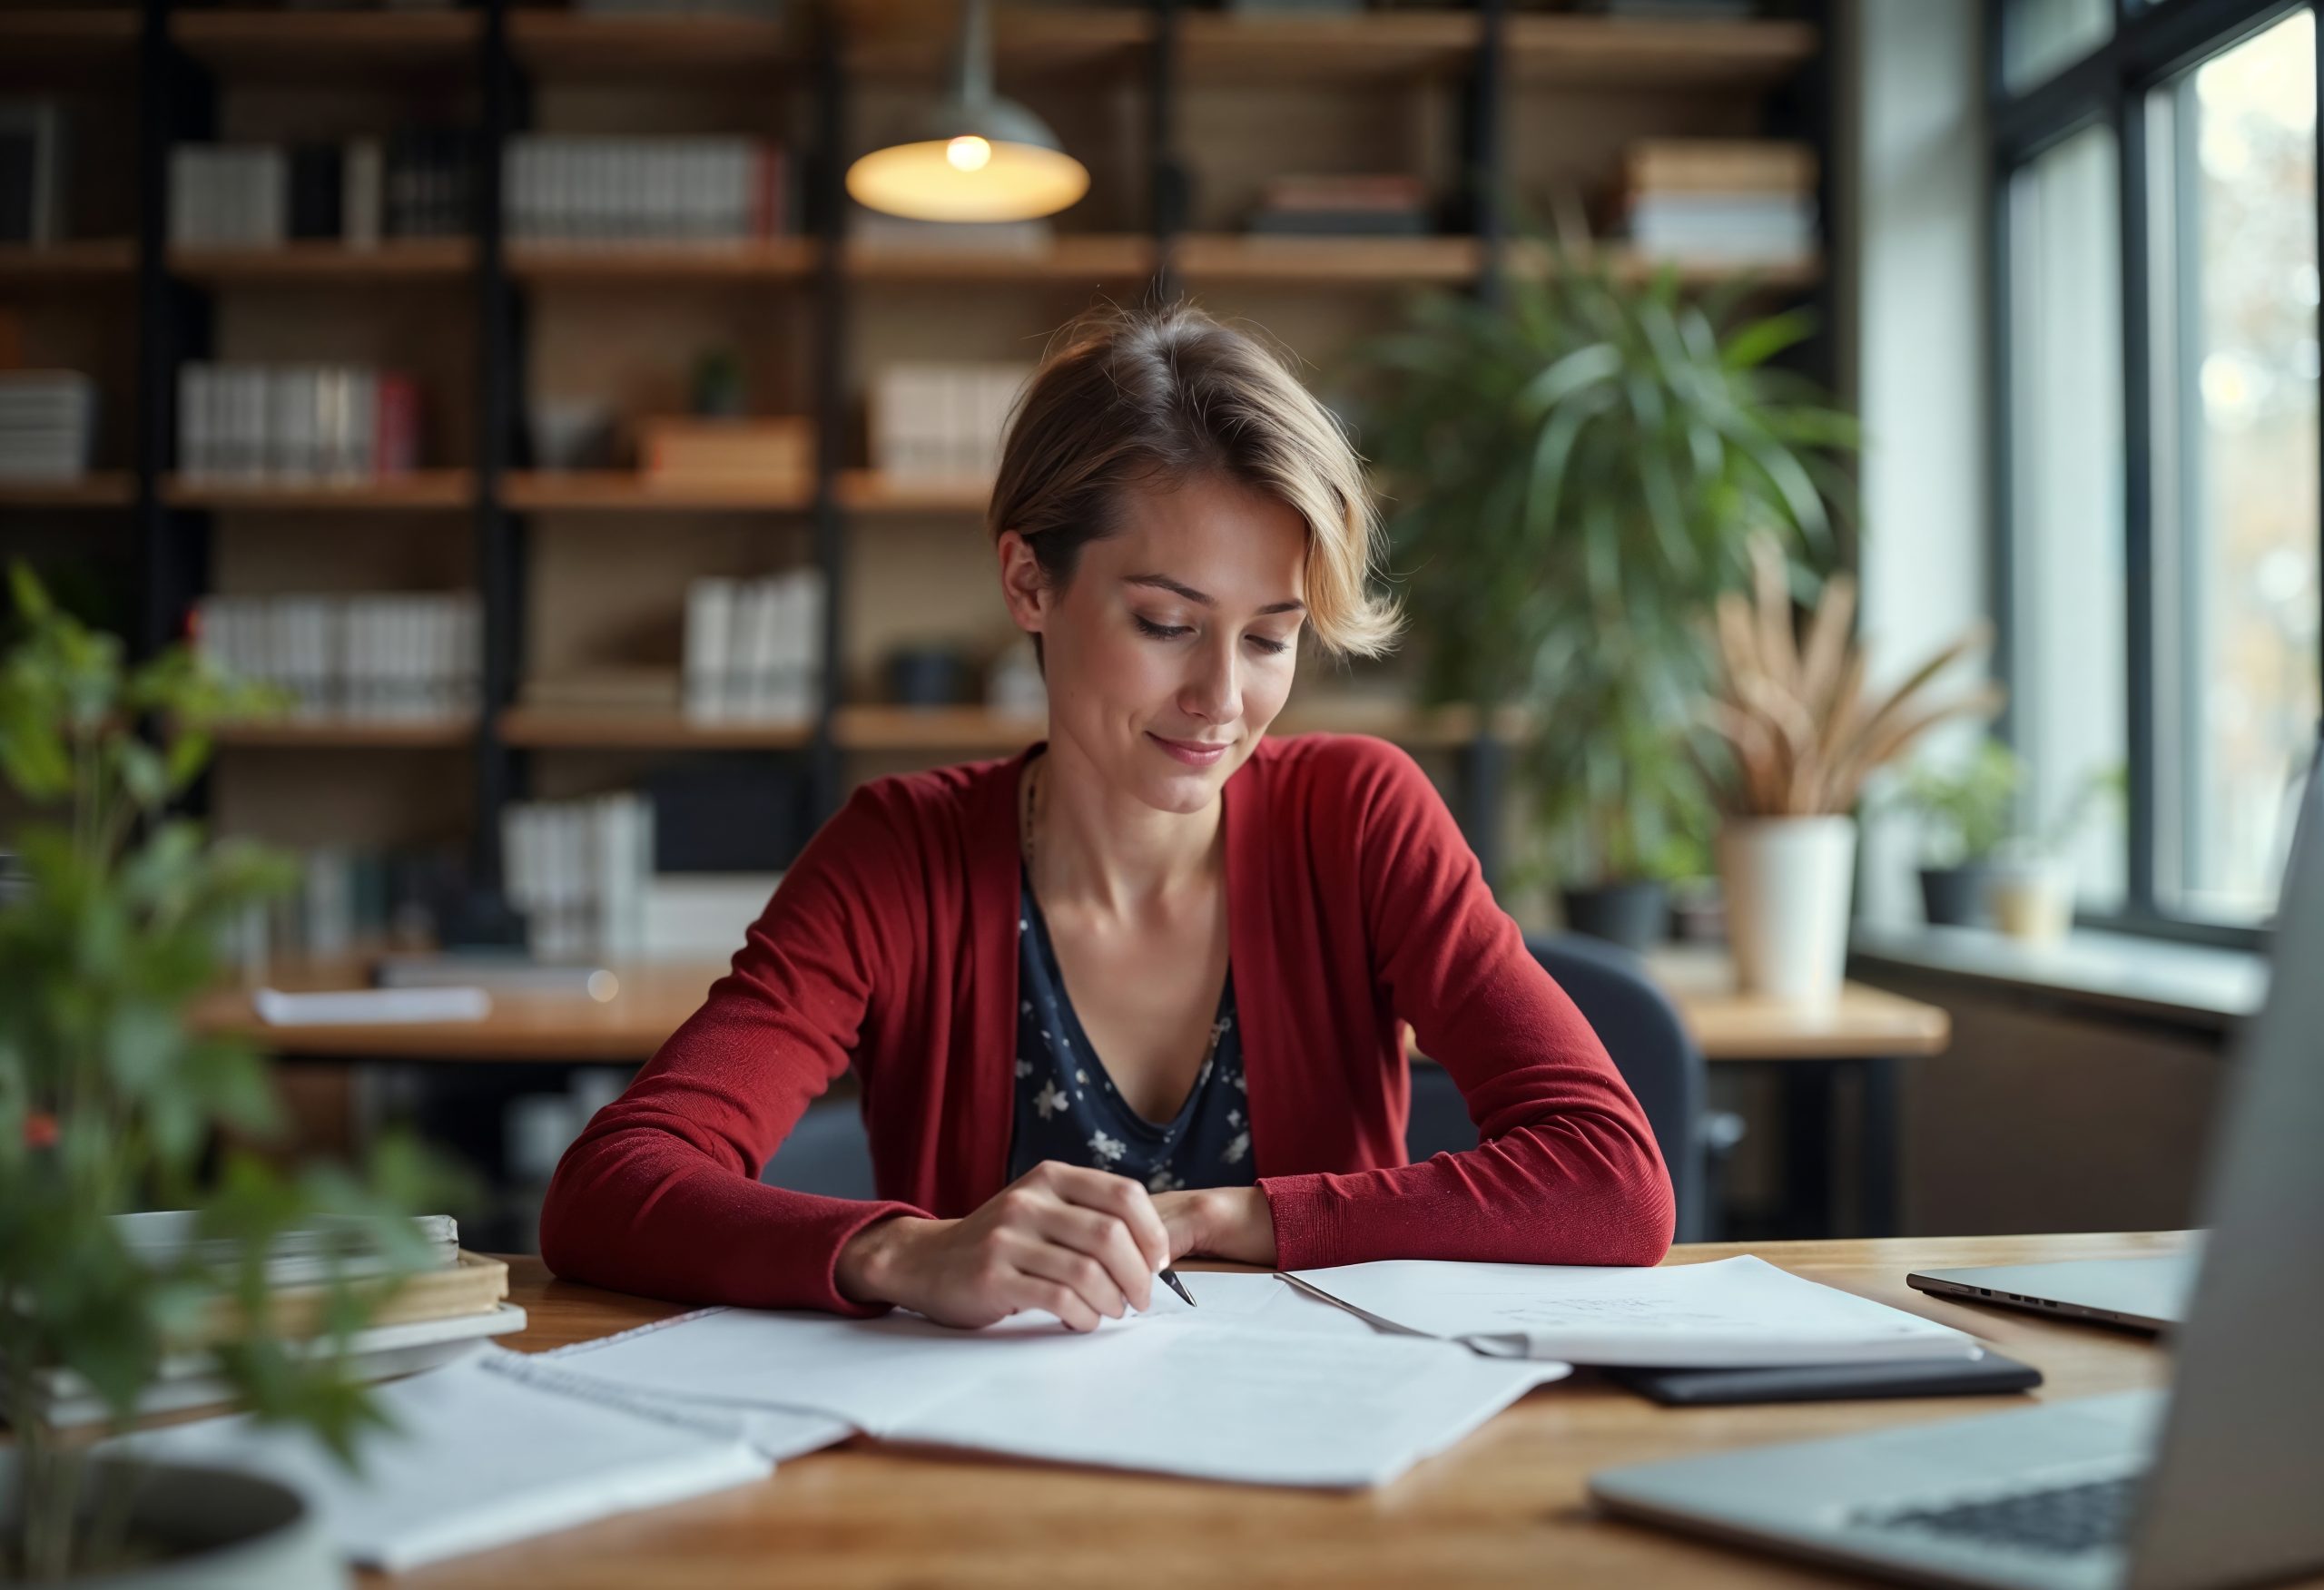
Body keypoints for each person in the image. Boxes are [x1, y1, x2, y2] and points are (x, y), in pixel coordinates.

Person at [538, 301, 1674, 1332]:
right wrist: (904, 1254)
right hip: (977, 1486)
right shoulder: (902, 856)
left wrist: (1234, 1221)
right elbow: (612, 1185)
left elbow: (1613, 1184)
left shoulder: (1360, 817)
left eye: (1270, 637)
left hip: (1319, 1459)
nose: (1222, 702)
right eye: (1165, 623)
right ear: (1030, 584)